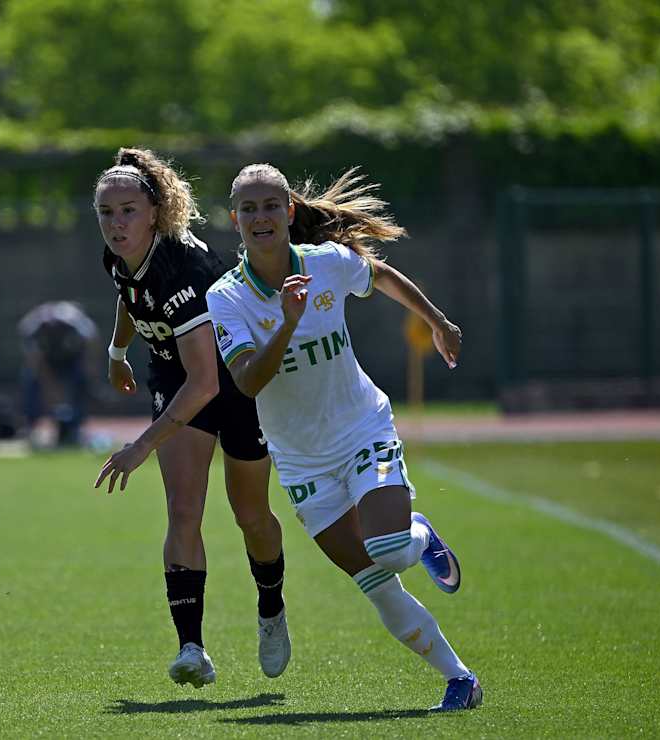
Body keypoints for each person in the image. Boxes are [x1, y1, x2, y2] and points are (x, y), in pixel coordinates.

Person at [206, 163, 481, 712]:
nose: (261, 217)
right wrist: (287, 321)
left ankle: (419, 535)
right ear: (235, 220)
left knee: (390, 549)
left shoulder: (328, 263)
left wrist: (437, 321)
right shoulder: (226, 298)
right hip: (302, 462)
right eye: (249, 208)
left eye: (270, 206)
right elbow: (247, 381)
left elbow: (380, 275)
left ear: (288, 212)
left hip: (361, 430)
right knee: (375, 582)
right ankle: (460, 680)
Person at [91, 148, 290, 687]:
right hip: (176, 380)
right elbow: (128, 296)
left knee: (251, 516)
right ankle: (191, 648)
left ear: (153, 212)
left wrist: (140, 445)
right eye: (106, 214)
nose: (116, 224)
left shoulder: (182, 268)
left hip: (234, 380)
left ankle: (271, 606)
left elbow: (206, 382)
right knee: (184, 510)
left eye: (128, 211)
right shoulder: (119, 255)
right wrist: (116, 353)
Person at [17, 300, 98, 447]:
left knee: (81, 379)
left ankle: (75, 426)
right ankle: (30, 425)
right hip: (48, 360)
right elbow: (37, 363)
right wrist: (51, 391)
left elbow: (91, 346)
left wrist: (90, 369)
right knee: (31, 381)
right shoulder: (33, 329)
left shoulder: (77, 324)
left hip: (71, 359)